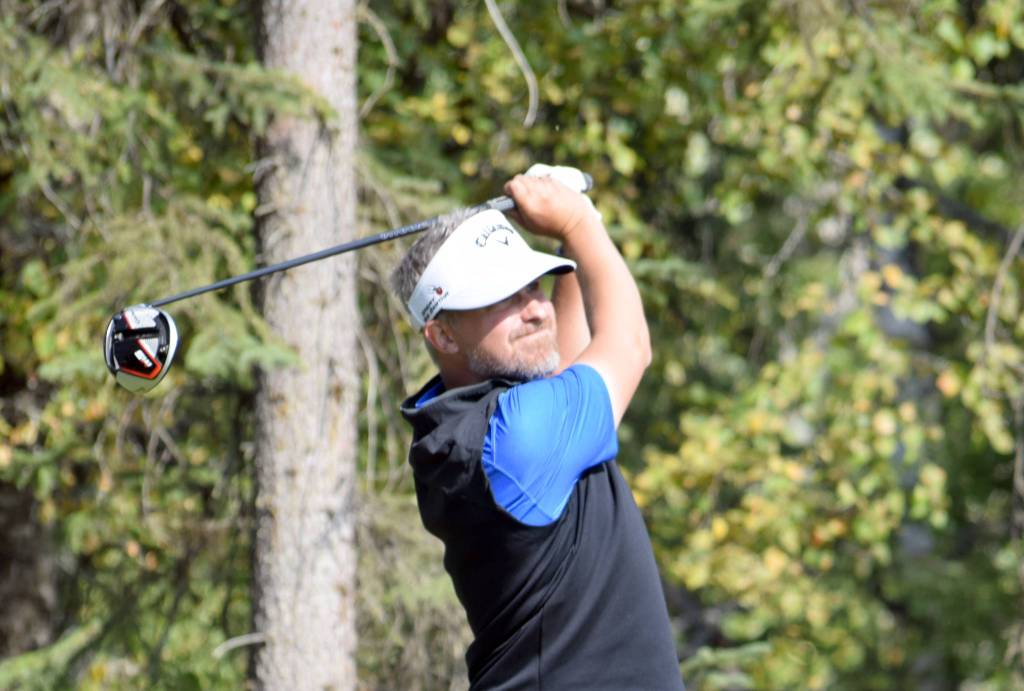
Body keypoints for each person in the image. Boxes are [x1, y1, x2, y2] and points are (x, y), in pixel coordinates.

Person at [393, 166, 685, 690]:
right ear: (442, 334)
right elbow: (629, 345)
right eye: (501, 298)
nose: (534, 309)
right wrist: (578, 220)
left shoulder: (450, 425)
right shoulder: (518, 440)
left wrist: (569, 244)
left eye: (533, 284)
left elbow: (561, 362)